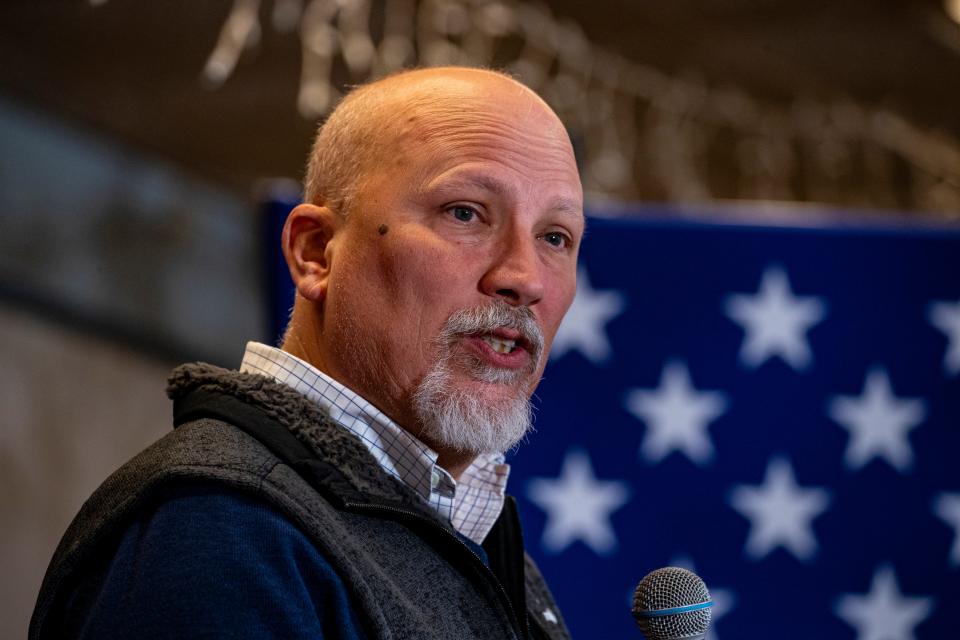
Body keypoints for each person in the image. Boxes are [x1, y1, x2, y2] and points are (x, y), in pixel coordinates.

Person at [30, 66, 585, 640]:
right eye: (465, 212)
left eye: (555, 237)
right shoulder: (219, 527)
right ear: (316, 252)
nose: (525, 277)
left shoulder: (487, 552)